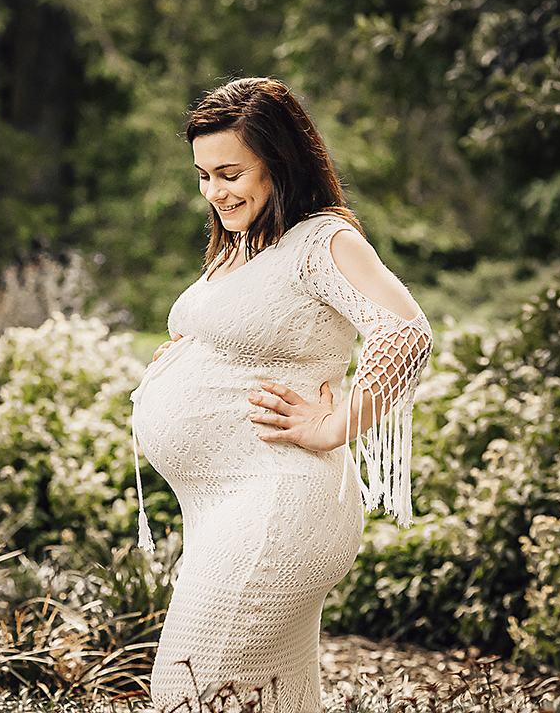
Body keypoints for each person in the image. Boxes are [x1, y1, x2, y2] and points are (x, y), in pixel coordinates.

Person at [129, 77, 433, 713]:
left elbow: (404, 332)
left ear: (279, 161)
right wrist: (189, 353)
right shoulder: (247, 245)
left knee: (189, 690)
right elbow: (258, 337)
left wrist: (336, 425)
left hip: (279, 504)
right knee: (273, 699)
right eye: (203, 175)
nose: (214, 192)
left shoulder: (321, 242)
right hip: (223, 508)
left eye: (230, 172)